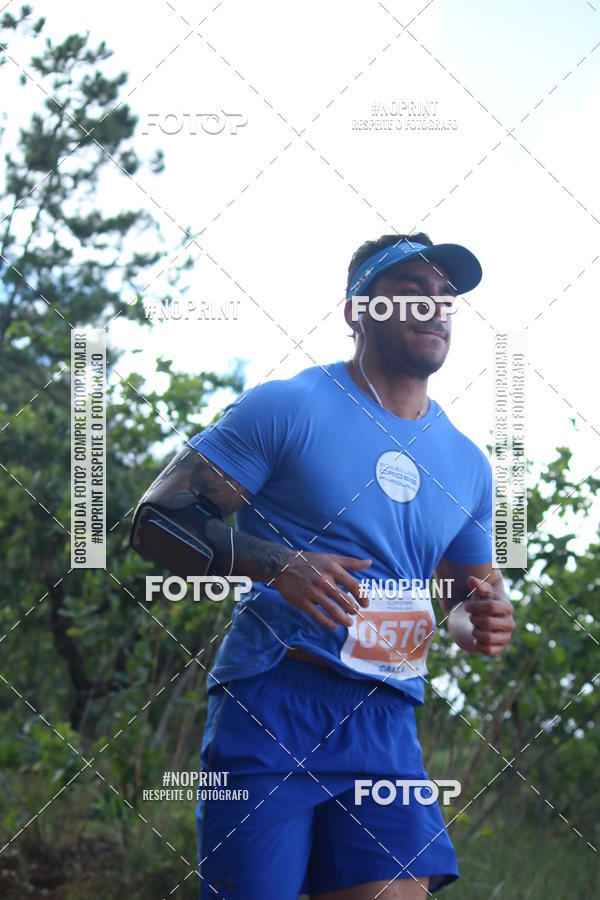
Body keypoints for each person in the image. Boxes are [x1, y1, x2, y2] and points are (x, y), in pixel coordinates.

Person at [131, 232, 515, 898]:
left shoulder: (469, 464)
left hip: (386, 719)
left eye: (445, 296)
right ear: (357, 311)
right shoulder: (290, 406)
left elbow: (464, 595)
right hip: (273, 702)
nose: (434, 308)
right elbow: (156, 520)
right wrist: (279, 564)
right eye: (410, 293)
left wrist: (479, 621)